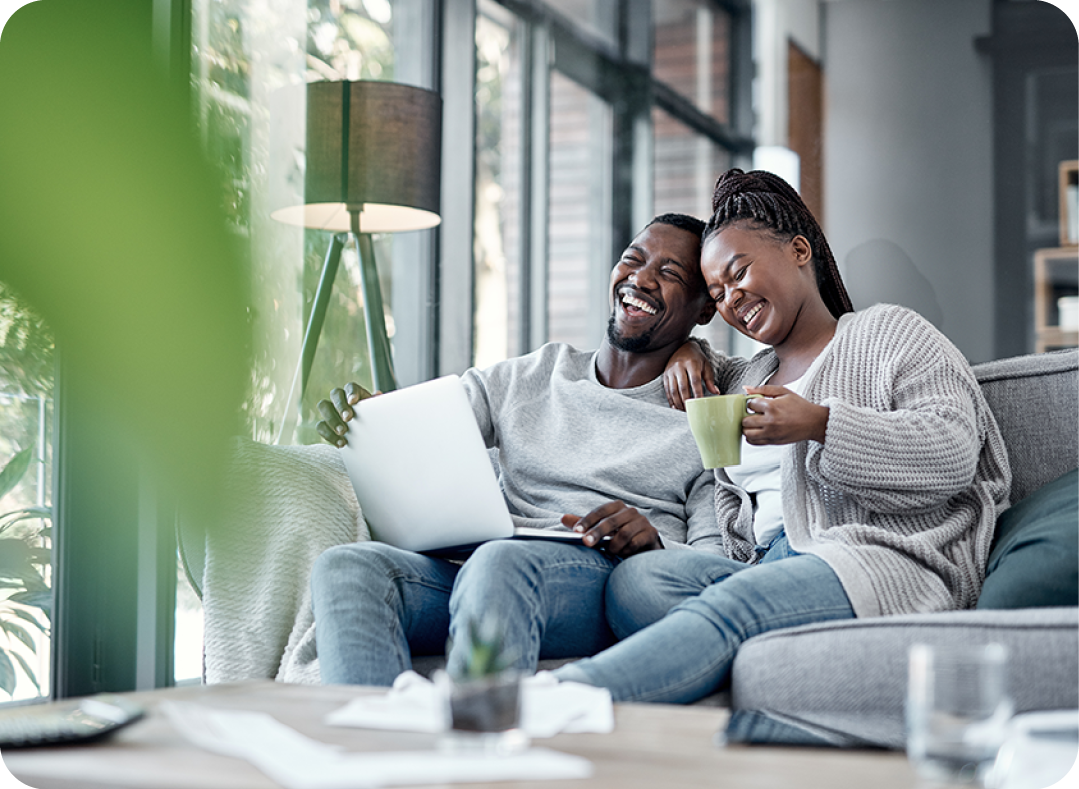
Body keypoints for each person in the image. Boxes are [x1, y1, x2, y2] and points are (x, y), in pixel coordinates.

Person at [552, 169, 1012, 703]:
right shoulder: (746, 376)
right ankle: (758, 640)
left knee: (729, 608)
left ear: (798, 250)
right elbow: (704, 368)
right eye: (718, 293)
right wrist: (689, 350)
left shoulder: (889, 332)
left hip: (872, 559)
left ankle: (561, 700)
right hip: (762, 565)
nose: (730, 299)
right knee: (639, 583)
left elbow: (953, 451)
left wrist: (820, 424)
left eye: (739, 272)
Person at [310, 213, 723, 686]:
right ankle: (374, 749)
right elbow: (430, 423)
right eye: (632, 260)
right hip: (483, 565)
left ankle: (475, 745)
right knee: (345, 567)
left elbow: (712, 563)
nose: (641, 279)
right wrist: (371, 419)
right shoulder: (536, 373)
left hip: (595, 580)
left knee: (497, 562)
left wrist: (651, 543)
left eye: (670, 274)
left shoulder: (704, 416)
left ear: (704, 309)